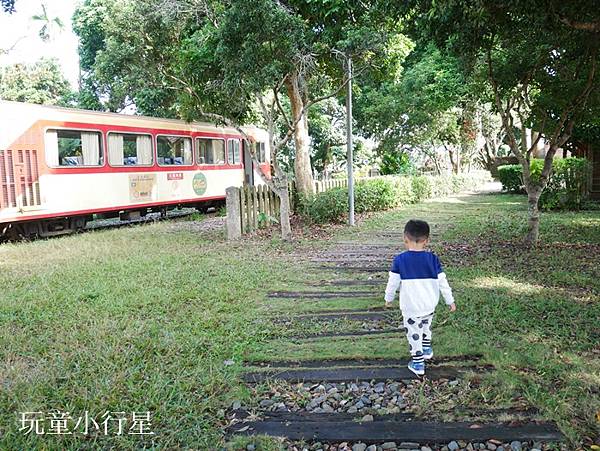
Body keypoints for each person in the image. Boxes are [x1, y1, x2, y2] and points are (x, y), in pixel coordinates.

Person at [384, 219, 456, 376]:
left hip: (411, 307)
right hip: (429, 304)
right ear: (427, 240)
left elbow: (392, 283)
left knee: (413, 332)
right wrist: (450, 300)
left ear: (405, 239)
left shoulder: (400, 260)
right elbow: (443, 282)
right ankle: (427, 348)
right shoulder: (433, 259)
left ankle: (418, 363)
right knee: (426, 325)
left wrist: (388, 299)